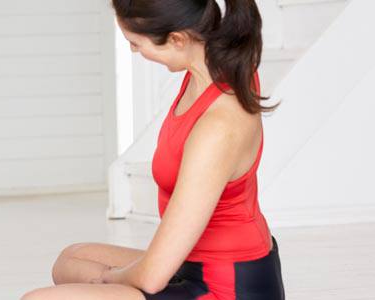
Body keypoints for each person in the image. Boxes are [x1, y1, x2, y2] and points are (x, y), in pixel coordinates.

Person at [23, 0, 284, 299]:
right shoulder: (211, 64)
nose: (135, 52)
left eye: (136, 43)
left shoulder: (218, 127)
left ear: (177, 39)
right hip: (192, 263)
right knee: (71, 260)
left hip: (225, 288)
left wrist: (109, 280)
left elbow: (151, 277)